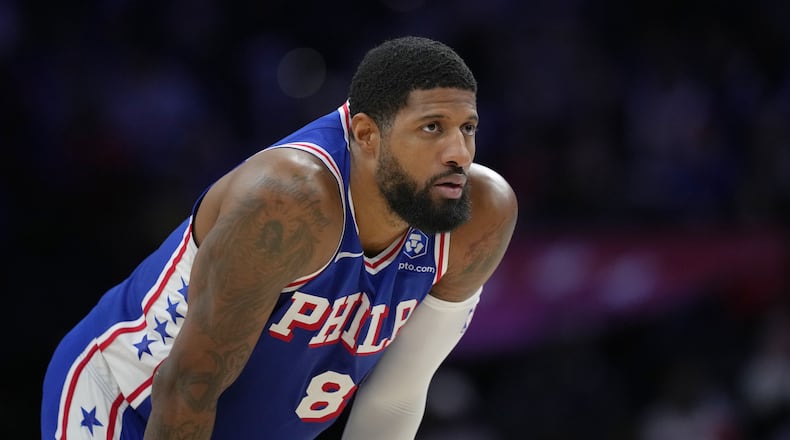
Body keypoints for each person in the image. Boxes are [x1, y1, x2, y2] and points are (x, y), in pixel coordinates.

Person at [41, 35, 518, 439]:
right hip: (128, 405)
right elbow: (187, 389)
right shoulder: (289, 200)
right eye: (432, 128)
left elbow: (395, 397)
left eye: (468, 128)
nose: (459, 152)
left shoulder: (481, 213)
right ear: (367, 134)